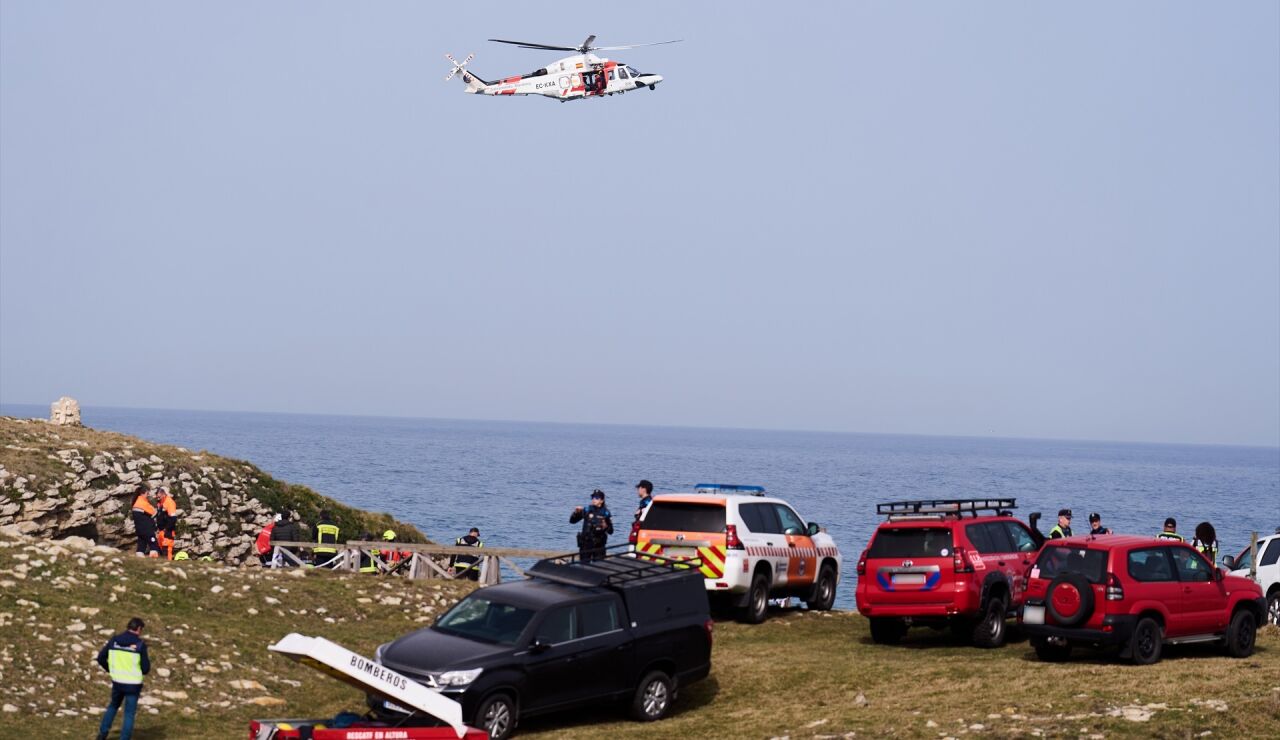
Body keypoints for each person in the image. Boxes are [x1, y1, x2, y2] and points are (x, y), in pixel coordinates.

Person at [95, 616, 150, 740]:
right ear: (139, 629)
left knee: (113, 706)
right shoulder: (140, 644)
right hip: (133, 684)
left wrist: (111, 669)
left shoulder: (114, 640)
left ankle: (102, 734)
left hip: (117, 681)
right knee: (129, 714)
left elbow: (100, 658)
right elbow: (146, 669)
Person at [570, 489, 613, 562]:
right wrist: (576, 513)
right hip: (586, 544)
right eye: (593, 497)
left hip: (599, 545)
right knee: (584, 566)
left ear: (601, 500)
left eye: (596, 498)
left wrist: (606, 526)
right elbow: (572, 521)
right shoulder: (587, 510)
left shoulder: (606, 513)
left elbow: (611, 531)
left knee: (599, 566)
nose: (594, 499)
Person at [129, 486, 158, 557]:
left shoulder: (135, 503)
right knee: (153, 544)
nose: (148, 495)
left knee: (141, 546)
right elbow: (154, 512)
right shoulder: (143, 503)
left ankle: (139, 560)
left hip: (139, 529)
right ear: (142, 494)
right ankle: (154, 560)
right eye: (147, 493)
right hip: (147, 529)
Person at [154, 488, 178, 560]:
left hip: (167, 532)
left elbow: (173, 518)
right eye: (157, 497)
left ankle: (168, 567)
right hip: (161, 531)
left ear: (163, 494)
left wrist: (166, 529)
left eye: (159, 497)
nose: (158, 498)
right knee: (160, 551)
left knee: (167, 551)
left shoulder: (169, 502)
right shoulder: (160, 502)